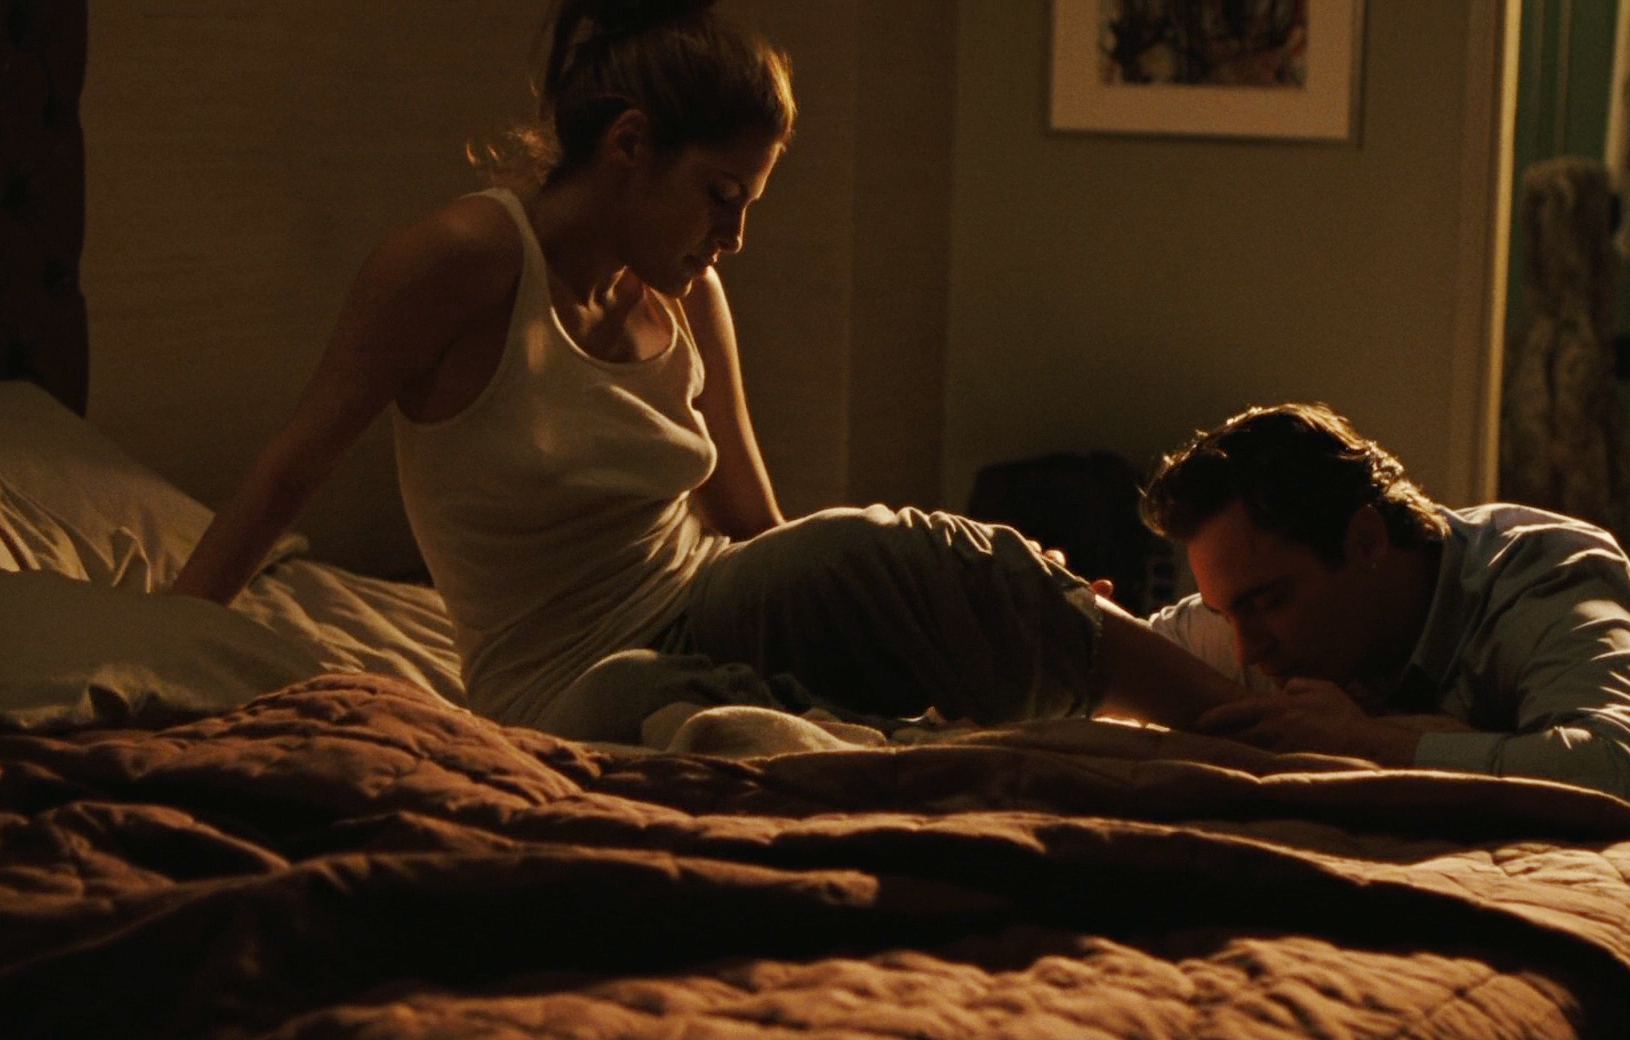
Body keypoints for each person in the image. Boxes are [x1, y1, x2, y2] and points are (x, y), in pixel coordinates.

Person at [172, 0, 1249, 741]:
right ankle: (864, 739)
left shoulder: (685, 293)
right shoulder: (461, 260)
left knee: (904, 549)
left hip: (704, 600)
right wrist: (151, 650)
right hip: (559, 678)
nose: (731, 238)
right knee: (656, 706)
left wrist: (949, 597)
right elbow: (288, 472)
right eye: (721, 197)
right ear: (630, 145)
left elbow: (757, 527)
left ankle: (1250, 723)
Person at [1139, 402, 1630, 815]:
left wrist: (1375, 744)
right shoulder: (1258, 619)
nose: (1245, 650)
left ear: (1365, 542)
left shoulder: (1545, 577)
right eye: (1225, 615)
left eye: (1270, 601)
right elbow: (1119, 650)